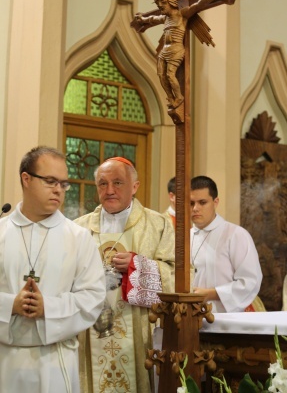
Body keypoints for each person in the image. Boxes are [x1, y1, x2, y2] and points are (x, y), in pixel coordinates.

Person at [0, 146, 106, 393]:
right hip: (4, 359)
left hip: (55, 361)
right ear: (26, 179)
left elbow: (93, 297)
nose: (59, 189)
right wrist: (10, 305)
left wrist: (48, 308)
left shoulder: (79, 237)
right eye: (50, 181)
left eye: (63, 183)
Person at [75, 157, 175, 393]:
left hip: (140, 334)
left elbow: (180, 277)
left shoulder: (157, 224)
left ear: (135, 186)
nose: (109, 190)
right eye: (102, 184)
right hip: (90, 333)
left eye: (118, 183)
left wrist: (138, 266)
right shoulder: (78, 229)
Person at [135, 0, 223, 110]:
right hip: (165, 50)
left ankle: (179, 97)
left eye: (163, 2)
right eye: (158, 3)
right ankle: (170, 97)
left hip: (176, 48)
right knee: (161, 75)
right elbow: (152, 19)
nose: (160, 5)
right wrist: (142, 19)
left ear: (171, 1)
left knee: (170, 75)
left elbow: (197, 5)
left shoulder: (182, 14)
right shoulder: (165, 18)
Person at [190, 175, 263, 313]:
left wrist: (211, 294)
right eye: (191, 203)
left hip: (224, 319)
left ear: (215, 202)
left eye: (202, 202)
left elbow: (250, 281)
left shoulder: (235, 235)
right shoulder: (183, 238)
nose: (195, 208)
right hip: (188, 318)